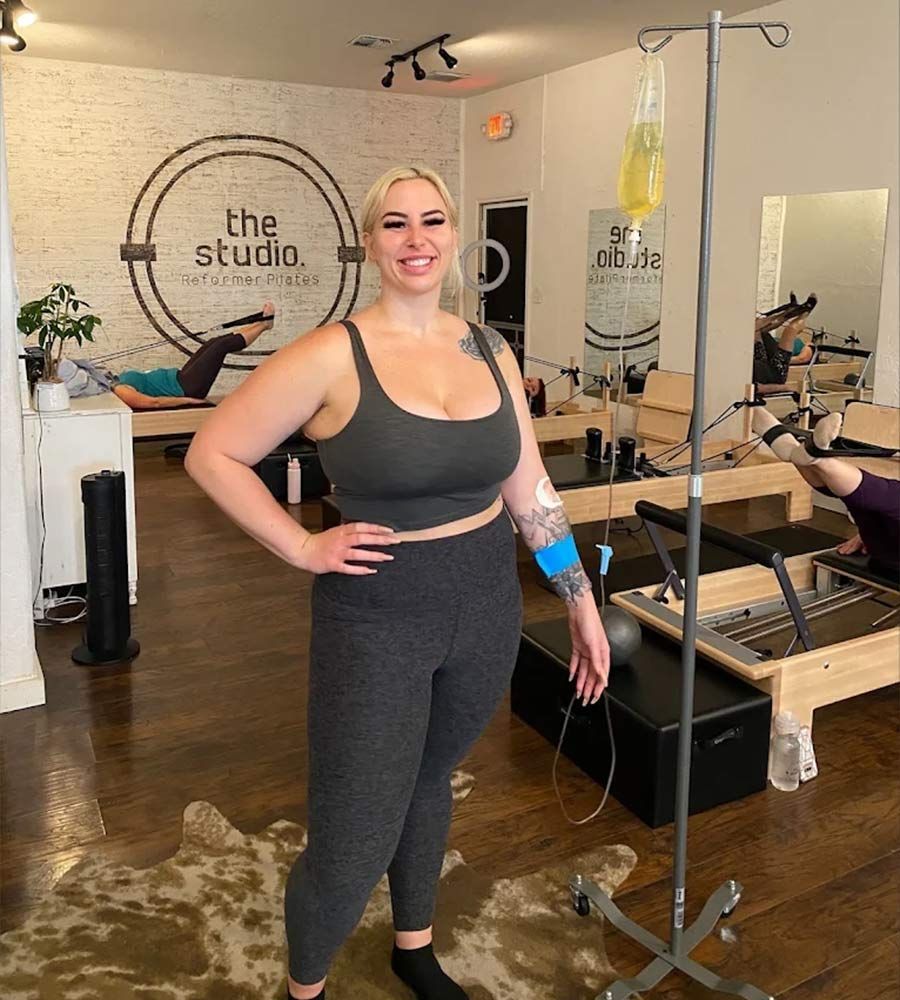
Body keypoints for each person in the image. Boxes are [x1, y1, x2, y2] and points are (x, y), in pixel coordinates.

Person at [184, 165, 610, 1000]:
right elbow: (213, 453)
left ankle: (413, 946)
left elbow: (531, 491)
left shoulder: (490, 349)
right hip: (376, 614)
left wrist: (581, 605)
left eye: (433, 221)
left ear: (455, 237)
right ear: (370, 240)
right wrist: (299, 548)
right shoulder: (330, 354)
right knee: (351, 833)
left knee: (430, 779)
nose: (416, 240)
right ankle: (305, 989)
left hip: (484, 601)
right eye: (395, 224)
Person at [752, 408, 899, 577]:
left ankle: (802, 453)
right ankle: (804, 454)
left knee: (886, 495)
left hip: (888, 555)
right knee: (871, 503)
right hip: (882, 547)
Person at [56, 304, 275, 409]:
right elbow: (153, 402)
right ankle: (264, 326)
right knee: (220, 347)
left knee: (212, 343)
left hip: (180, 378)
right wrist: (190, 401)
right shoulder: (119, 390)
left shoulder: (115, 381)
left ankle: (263, 324)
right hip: (187, 387)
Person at [752, 312, 813, 387]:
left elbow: (802, 359)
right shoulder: (805, 344)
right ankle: (791, 315)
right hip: (772, 352)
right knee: (758, 329)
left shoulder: (810, 346)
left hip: (773, 363)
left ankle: (796, 318)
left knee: (792, 328)